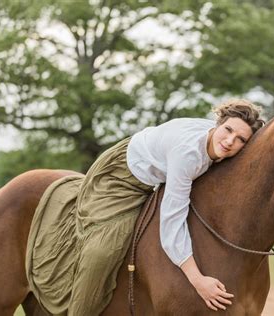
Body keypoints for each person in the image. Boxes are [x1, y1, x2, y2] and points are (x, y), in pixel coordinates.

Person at [69, 99, 264, 315]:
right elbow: (171, 223)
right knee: (102, 250)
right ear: (218, 123)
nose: (229, 141)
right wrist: (198, 281)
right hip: (123, 175)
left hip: (157, 177)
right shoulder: (187, 155)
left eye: (240, 140)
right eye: (228, 130)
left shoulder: (218, 145)